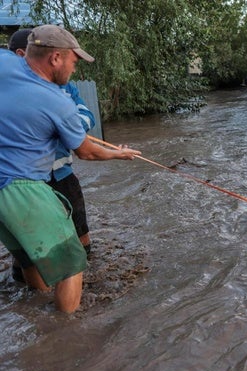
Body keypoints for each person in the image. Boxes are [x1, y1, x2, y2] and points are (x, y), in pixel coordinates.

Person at [0, 24, 141, 313]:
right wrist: (119, 154)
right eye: (73, 61)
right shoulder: (57, 101)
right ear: (55, 58)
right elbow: (86, 152)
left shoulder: (4, 62)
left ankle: (37, 308)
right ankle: (66, 334)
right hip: (21, 188)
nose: (74, 70)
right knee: (72, 263)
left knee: (28, 257)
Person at [8, 29, 96, 286]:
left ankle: (80, 278)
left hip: (62, 173)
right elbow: (87, 151)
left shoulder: (65, 87)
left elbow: (86, 116)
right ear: (21, 55)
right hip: (26, 182)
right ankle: (32, 289)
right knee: (28, 245)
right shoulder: (14, 88)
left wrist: (67, 126)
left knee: (80, 231)